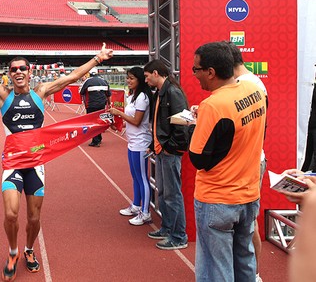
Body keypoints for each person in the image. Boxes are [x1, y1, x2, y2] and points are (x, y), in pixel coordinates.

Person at [0, 38, 113, 281]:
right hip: (12, 163)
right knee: (11, 214)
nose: (18, 72)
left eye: (22, 68)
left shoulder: (41, 93)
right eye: (13, 69)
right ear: (9, 74)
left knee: (34, 218)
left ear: (29, 71)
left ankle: (29, 249)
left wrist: (97, 59)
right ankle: (13, 252)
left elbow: (71, 77)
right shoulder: (3, 95)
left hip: (36, 164)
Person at [188, 41, 267, 282]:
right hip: (249, 193)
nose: (195, 75)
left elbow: (198, 158)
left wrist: (197, 126)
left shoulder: (213, 104)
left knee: (216, 268)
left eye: (196, 70)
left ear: (210, 72)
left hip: (218, 198)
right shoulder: (255, 90)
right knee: (245, 261)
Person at [226, 41, 268, 282]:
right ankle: (249, 272)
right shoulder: (251, 82)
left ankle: (253, 273)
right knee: (246, 224)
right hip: (250, 160)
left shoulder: (246, 85)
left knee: (247, 224)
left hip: (248, 162)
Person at [143, 59, 189, 250]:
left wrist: (169, 147)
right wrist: (155, 146)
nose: (146, 81)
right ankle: (168, 228)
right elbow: (159, 123)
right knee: (163, 192)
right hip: (163, 150)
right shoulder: (161, 93)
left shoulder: (172, 92)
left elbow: (182, 123)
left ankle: (179, 236)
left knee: (172, 194)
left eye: (146, 76)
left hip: (169, 151)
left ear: (155, 73)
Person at [110, 67, 153, 226]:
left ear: (140, 80)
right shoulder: (133, 96)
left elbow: (136, 121)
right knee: (135, 176)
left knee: (142, 177)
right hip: (133, 141)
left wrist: (119, 113)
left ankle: (146, 212)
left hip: (141, 142)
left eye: (131, 78)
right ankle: (136, 205)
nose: (128, 81)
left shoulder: (142, 97)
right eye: (127, 78)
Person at [79, 67, 111, 147]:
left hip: (91, 105)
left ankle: (96, 141)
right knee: (99, 121)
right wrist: (109, 104)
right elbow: (108, 94)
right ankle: (98, 138)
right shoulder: (104, 81)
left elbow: (81, 92)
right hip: (101, 105)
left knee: (92, 123)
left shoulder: (88, 81)